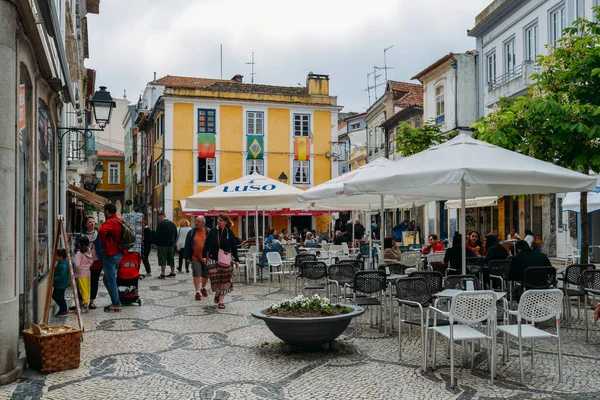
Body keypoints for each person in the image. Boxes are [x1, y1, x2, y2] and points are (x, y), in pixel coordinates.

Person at [202, 214, 239, 309]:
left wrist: (236, 260)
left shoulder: (229, 232)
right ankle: (217, 292)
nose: (219, 221)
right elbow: (207, 243)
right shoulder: (213, 231)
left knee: (225, 280)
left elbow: (234, 246)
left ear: (226, 222)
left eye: (221, 220)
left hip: (225, 260)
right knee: (214, 279)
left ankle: (221, 301)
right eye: (218, 220)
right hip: (213, 258)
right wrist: (203, 255)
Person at [98, 203, 123, 313]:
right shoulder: (119, 220)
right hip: (119, 253)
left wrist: (104, 242)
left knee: (111, 279)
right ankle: (115, 299)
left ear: (107, 211)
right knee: (106, 279)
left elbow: (101, 231)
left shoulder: (110, 222)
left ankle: (116, 304)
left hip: (110, 252)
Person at [77, 216, 103, 309]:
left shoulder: (99, 235)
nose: (92, 224)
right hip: (84, 262)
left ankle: (91, 302)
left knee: (94, 281)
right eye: (89, 222)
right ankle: (81, 302)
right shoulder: (81, 236)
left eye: (93, 222)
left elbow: (102, 247)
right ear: (85, 224)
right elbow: (77, 248)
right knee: (81, 281)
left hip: (96, 261)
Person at [184, 216, 210, 300]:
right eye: (195, 221)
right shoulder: (191, 232)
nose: (196, 223)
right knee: (196, 274)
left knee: (205, 275)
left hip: (206, 257)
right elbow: (187, 245)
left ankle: (203, 287)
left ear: (203, 223)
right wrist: (187, 257)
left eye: (198, 221)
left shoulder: (208, 232)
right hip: (195, 256)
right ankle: (197, 291)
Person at [73, 236, 93, 313]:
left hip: (80, 273)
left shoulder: (79, 253)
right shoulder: (88, 251)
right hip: (87, 273)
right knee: (86, 289)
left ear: (79, 244)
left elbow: (77, 265)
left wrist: (74, 270)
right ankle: (85, 305)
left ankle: (85, 306)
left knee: (82, 290)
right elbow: (91, 262)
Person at [155, 212, 178, 279]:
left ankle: (163, 273)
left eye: (159, 218)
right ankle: (172, 272)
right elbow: (176, 233)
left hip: (162, 245)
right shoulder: (173, 224)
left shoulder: (160, 224)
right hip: (171, 245)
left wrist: (156, 243)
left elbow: (157, 234)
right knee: (171, 258)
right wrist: (174, 242)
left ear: (161, 216)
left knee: (162, 259)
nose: (159, 219)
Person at [52, 249, 70, 318]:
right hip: (60, 284)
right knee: (58, 297)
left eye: (56, 256)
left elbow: (62, 277)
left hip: (60, 285)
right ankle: (63, 308)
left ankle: (64, 309)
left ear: (61, 257)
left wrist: (53, 280)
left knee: (58, 297)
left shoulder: (62, 265)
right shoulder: (63, 262)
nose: (54, 257)